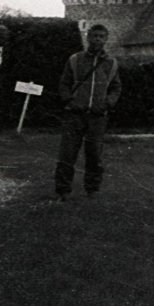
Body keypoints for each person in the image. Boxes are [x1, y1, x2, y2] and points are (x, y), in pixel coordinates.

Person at [53, 23, 122, 200]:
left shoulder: (111, 64)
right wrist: (70, 100)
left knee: (94, 155)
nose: (97, 39)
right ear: (88, 38)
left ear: (106, 39)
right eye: (94, 36)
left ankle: (92, 189)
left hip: (97, 116)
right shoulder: (75, 60)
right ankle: (63, 190)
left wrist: (107, 103)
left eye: (101, 36)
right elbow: (64, 84)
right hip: (75, 115)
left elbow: (116, 87)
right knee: (67, 154)